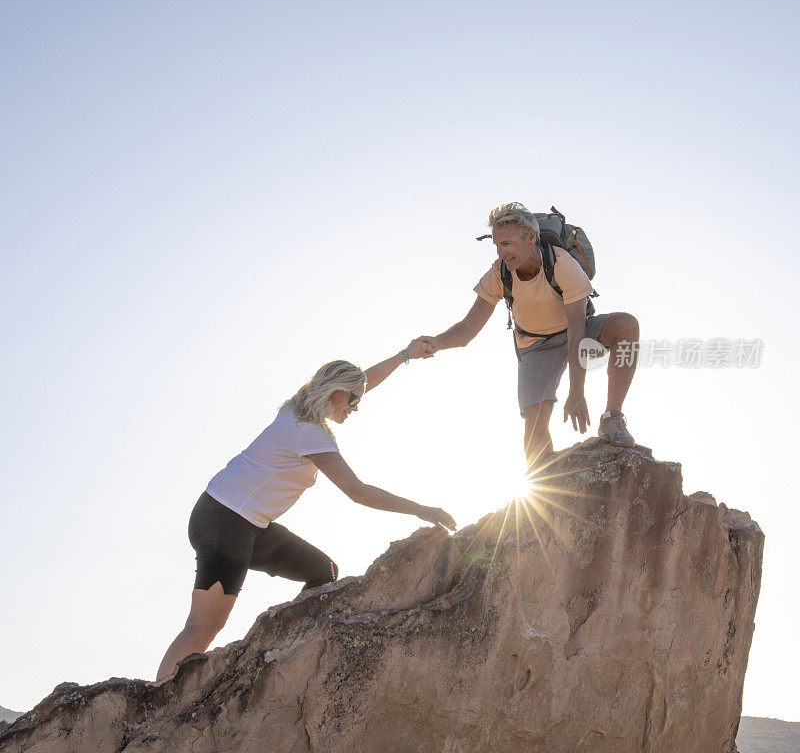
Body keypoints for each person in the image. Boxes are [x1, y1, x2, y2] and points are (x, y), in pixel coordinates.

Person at [156, 344, 456, 681]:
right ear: (334, 393)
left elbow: (362, 381)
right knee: (202, 626)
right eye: (353, 400)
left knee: (322, 571)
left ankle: (278, 652)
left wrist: (403, 357)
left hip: (247, 523)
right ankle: (157, 705)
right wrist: (420, 509)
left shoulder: (299, 407)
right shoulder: (309, 433)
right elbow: (357, 492)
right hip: (224, 522)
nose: (357, 407)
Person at [416, 202, 640, 474]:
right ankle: (545, 486)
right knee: (534, 424)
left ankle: (612, 418)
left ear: (530, 238)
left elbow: (578, 332)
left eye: (507, 244)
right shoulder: (498, 273)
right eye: (497, 245)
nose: (501, 252)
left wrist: (576, 392)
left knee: (626, 326)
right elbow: (467, 329)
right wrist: (437, 343)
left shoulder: (561, 264)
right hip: (534, 347)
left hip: (576, 332)